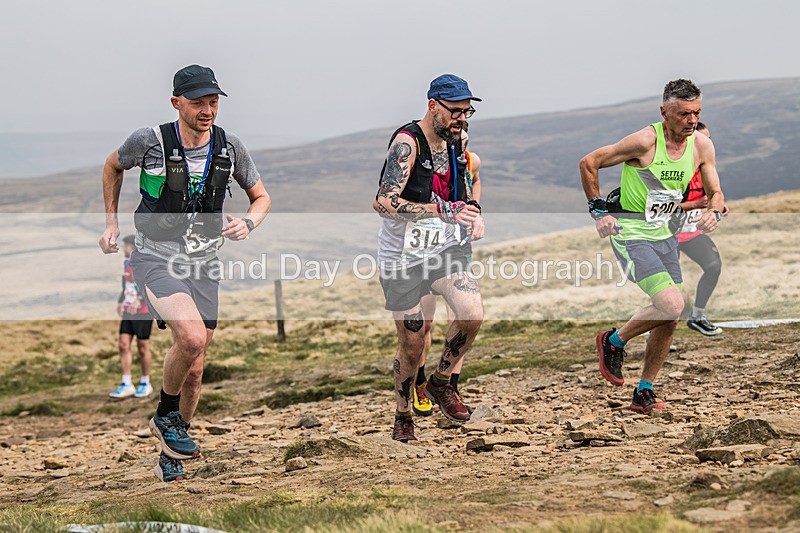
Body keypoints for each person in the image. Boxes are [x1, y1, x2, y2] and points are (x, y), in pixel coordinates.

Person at [99, 65, 270, 481]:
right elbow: (111, 166)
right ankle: (164, 416)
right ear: (176, 102)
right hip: (156, 257)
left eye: (213, 102)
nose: (207, 110)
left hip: (205, 262)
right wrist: (111, 223)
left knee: (195, 367)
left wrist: (248, 223)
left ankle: (170, 452)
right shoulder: (150, 141)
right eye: (198, 103)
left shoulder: (230, 148)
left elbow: (261, 197)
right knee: (190, 336)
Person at [579, 79, 725, 415]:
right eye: (684, 114)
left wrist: (715, 209)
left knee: (669, 318)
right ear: (664, 112)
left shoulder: (701, 145)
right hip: (631, 230)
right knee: (672, 304)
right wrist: (598, 210)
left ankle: (644, 390)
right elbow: (589, 162)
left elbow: (716, 190)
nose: (691, 120)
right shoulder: (645, 141)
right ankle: (612, 341)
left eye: (697, 113)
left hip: (666, 234)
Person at [373, 74, 485, 442]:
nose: (461, 119)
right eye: (455, 111)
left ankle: (441, 382)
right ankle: (403, 414)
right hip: (401, 256)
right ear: (433, 105)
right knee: (413, 341)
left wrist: (473, 213)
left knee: (471, 313)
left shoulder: (459, 139)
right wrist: (441, 212)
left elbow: (464, 188)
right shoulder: (408, 143)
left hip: (443, 249)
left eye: (466, 112)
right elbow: (384, 202)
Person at [413, 124, 482, 417]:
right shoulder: (427, 164)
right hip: (423, 249)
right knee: (424, 324)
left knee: (462, 317)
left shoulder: (471, 160)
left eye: (463, 143)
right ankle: (418, 384)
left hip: (458, 246)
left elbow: (475, 181)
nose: (458, 148)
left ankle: (448, 385)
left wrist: (477, 213)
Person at [677, 122, 728, 336]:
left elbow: (713, 195)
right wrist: (693, 205)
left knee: (713, 266)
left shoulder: (706, 166)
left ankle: (697, 316)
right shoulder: (675, 168)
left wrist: (716, 208)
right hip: (666, 233)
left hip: (692, 231)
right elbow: (654, 208)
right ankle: (659, 334)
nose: (707, 143)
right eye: (702, 139)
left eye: (709, 139)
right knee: (668, 287)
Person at [109, 235, 155, 399]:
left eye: (125, 246)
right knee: (123, 344)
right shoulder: (126, 263)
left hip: (143, 311)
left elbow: (148, 283)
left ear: (132, 247)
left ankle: (145, 382)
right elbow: (127, 283)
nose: (123, 249)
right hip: (128, 310)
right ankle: (126, 382)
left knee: (142, 346)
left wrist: (140, 299)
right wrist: (121, 301)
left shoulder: (143, 263)